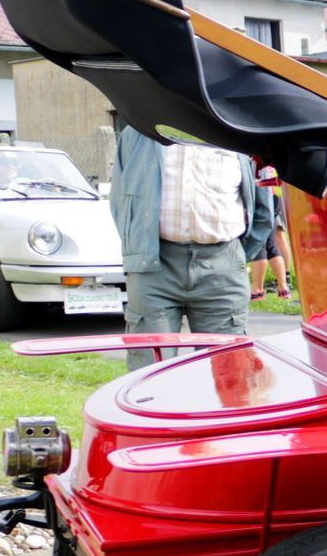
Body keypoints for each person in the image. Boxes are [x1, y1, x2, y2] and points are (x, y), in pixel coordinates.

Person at [112, 124, 272, 372]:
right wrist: (139, 248)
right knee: (149, 373)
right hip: (154, 267)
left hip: (223, 269)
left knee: (231, 378)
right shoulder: (140, 131)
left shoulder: (239, 129)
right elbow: (121, 200)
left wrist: (235, 258)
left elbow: (263, 210)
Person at [246, 159, 292, 301]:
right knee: (271, 246)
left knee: (260, 244)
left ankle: (257, 291)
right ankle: (284, 288)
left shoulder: (255, 160)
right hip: (274, 198)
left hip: (262, 200)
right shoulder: (270, 158)